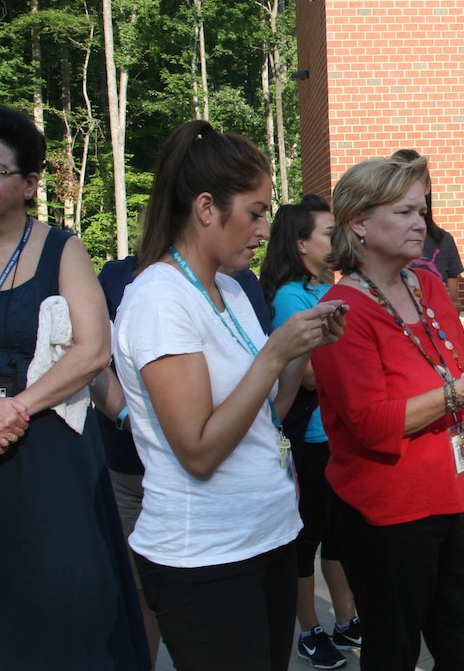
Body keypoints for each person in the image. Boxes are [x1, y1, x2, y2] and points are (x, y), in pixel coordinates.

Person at [112, 120, 346, 671]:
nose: (266, 230)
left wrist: (298, 350)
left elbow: (268, 415)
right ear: (206, 208)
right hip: (206, 556)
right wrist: (272, 354)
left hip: (266, 534)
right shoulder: (159, 299)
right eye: (256, 212)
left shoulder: (232, 292)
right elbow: (198, 450)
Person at [311, 155, 464, 670]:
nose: (421, 222)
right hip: (386, 513)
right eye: (406, 211)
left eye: (422, 209)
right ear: (359, 223)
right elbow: (369, 421)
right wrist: (458, 393)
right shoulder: (341, 311)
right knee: (394, 651)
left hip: (453, 499)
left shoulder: (429, 286)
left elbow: (460, 379)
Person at [0, 104, 150, 669]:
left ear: (31, 183)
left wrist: (14, 409)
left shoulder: (61, 247)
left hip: (46, 444)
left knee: (65, 600)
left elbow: (91, 349)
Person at [92, 255, 273, 670]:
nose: (262, 230)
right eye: (254, 212)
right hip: (133, 466)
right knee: (140, 591)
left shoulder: (237, 281)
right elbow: (94, 357)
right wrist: (127, 415)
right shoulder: (125, 279)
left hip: (226, 485)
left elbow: (257, 367)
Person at [261, 194, 361, 670]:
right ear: (301, 243)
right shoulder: (291, 297)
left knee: (338, 536)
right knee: (307, 538)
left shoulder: (331, 291)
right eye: (327, 232)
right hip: (312, 439)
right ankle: (309, 630)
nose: (336, 240)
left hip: (339, 435)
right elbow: (307, 377)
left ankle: (346, 619)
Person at [391, 149, 464, 312]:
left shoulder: (443, 241)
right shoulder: (383, 244)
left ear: (427, 187)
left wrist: (441, 301)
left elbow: (456, 306)